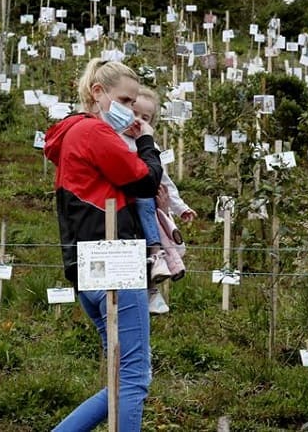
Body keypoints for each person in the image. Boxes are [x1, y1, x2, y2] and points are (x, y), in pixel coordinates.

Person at [44, 58, 162, 432]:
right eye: (125, 101)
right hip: (116, 265)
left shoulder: (70, 135)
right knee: (133, 378)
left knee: (120, 379)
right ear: (98, 92)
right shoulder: (94, 132)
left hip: (87, 270)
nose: (130, 110)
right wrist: (147, 142)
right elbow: (144, 180)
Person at [122, 87, 197, 314]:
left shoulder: (150, 147)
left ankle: (156, 280)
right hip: (121, 207)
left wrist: (180, 206)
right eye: (134, 113)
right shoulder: (113, 138)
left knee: (155, 221)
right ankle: (159, 264)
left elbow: (165, 182)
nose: (138, 121)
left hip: (145, 207)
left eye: (145, 118)